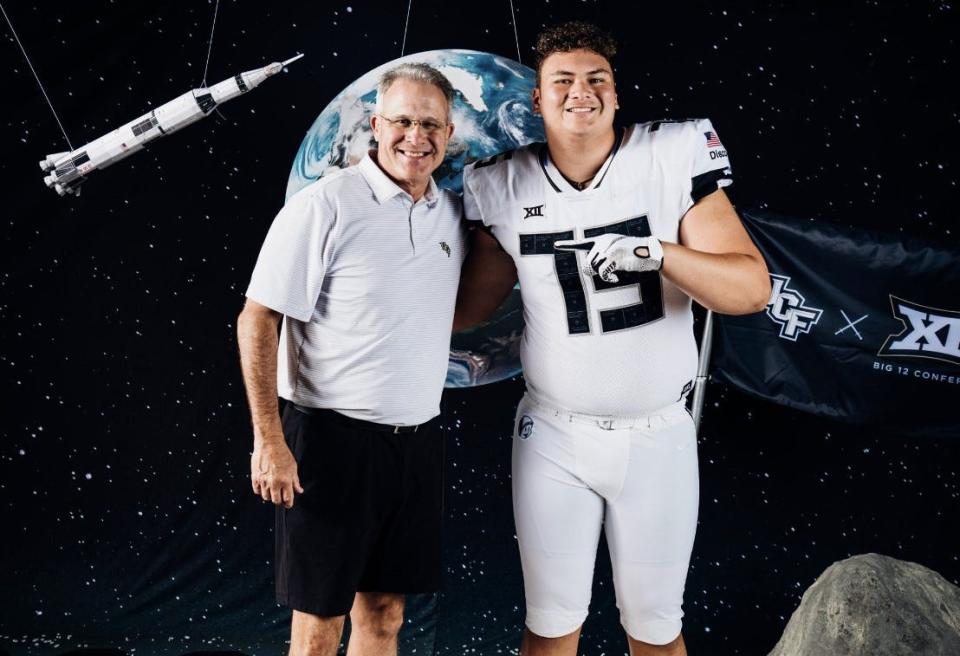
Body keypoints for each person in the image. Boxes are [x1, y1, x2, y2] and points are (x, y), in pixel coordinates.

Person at [454, 22, 771, 656]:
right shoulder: (500, 184)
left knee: (655, 630)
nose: (582, 92)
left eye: (597, 78)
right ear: (536, 100)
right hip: (552, 436)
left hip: (657, 435)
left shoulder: (670, 156)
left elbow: (749, 290)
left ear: (617, 93)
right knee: (548, 627)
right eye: (562, 81)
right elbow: (465, 310)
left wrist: (657, 251)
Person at [237, 63, 465, 656]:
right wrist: (269, 440)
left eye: (431, 124)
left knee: (386, 615)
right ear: (375, 124)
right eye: (403, 121)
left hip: (416, 442)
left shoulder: (451, 213)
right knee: (318, 631)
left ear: (450, 130)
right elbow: (257, 319)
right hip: (330, 443)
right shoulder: (326, 205)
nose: (416, 136)